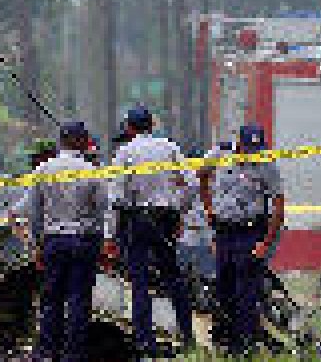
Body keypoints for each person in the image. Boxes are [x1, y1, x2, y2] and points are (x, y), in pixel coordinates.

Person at [17, 121, 116, 362]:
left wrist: (37, 244)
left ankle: (46, 352)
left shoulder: (43, 170)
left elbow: (33, 210)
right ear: (82, 141)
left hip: (54, 242)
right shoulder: (92, 172)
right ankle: (74, 354)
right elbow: (107, 208)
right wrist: (107, 241)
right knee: (79, 300)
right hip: (85, 242)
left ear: (61, 141)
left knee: (51, 299)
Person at [109, 104, 196, 357]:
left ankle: (145, 342)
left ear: (129, 127)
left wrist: (111, 233)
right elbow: (190, 183)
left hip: (137, 221)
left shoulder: (124, 152)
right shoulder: (170, 148)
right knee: (174, 278)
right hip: (166, 219)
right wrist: (180, 211)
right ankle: (187, 336)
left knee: (140, 282)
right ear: (152, 125)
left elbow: (115, 196)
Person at [198, 123, 286, 357]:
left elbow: (278, 206)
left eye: (256, 149)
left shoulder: (267, 165)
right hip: (224, 231)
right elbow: (202, 175)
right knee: (224, 286)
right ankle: (225, 340)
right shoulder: (220, 154)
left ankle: (245, 344)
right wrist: (208, 208)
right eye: (248, 148)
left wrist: (265, 243)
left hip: (251, 233)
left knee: (247, 290)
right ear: (239, 144)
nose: (252, 154)